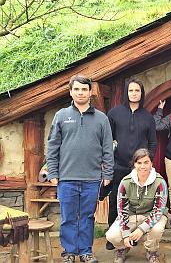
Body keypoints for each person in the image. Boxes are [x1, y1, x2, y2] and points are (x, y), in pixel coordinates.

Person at [47, 75, 114, 263]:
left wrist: (107, 173)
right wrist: (53, 172)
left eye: (84, 89)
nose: (80, 92)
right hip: (66, 178)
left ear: (90, 92)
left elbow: (108, 148)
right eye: (76, 89)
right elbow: (52, 146)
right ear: (70, 92)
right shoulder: (61, 116)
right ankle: (68, 252)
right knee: (68, 217)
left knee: (86, 217)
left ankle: (85, 251)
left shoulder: (102, 119)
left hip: (92, 179)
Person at [106, 77, 157, 250]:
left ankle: (135, 235)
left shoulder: (148, 117)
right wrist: (108, 162)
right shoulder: (114, 113)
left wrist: (147, 163)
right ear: (126, 92)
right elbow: (107, 140)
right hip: (118, 165)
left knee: (137, 201)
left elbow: (152, 143)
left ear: (141, 94)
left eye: (137, 91)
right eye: (131, 90)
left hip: (139, 168)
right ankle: (112, 236)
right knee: (116, 200)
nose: (134, 94)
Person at [106, 148, 168, 263]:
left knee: (157, 229)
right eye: (139, 163)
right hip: (131, 215)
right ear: (134, 164)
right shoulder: (125, 182)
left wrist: (141, 229)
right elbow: (122, 210)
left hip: (152, 215)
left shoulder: (160, 182)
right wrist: (125, 233)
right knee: (111, 235)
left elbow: (158, 210)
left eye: (146, 162)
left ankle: (151, 251)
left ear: (151, 163)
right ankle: (122, 248)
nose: (142, 166)